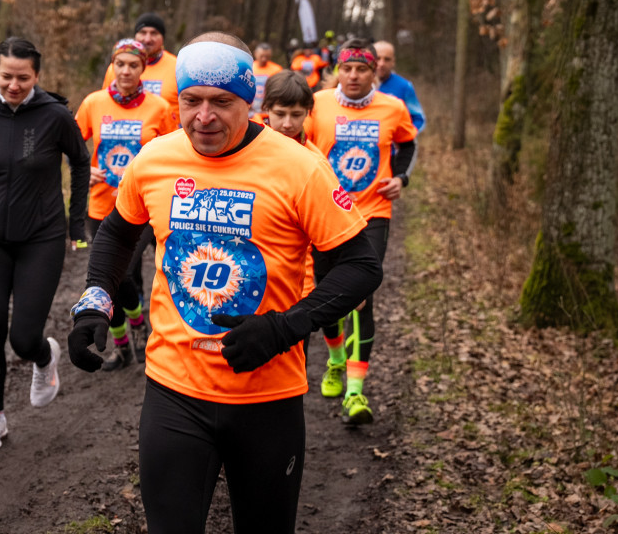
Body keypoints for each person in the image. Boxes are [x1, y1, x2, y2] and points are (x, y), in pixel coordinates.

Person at [68, 32, 382, 534]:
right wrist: (95, 300)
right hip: (173, 390)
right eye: (191, 101)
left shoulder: (301, 167)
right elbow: (116, 233)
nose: (204, 117)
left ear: (249, 102)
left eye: (222, 103)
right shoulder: (153, 159)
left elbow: (361, 267)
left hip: (267, 398)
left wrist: (283, 329)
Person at [0, 37, 90, 451]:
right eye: (7, 76)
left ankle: (44, 357)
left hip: (42, 237)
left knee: (23, 338)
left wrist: (75, 222)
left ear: (37, 76)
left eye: (23, 77)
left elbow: (80, 162)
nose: (14, 84)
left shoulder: (54, 116)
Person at [303, 38, 417, 426]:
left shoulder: (393, 107)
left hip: (372, 213)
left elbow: (407, 143)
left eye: (362, 69)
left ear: (375, 72)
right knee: (327, 296)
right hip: (325, 214)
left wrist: (401, 178)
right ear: (338, 70)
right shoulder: (317, 104)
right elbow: (294, 146)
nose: (353, 76)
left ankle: (355, 392)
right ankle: (335, 359)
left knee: (362, 297)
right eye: (347, 68)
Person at [75, 39, 170, 370]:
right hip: (100, 205)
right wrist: (83, 169)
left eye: (133, 65)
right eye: (120, 64)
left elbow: (175, 153)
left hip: (143, 210)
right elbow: (73, 147)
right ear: (112, 66)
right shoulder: (93, 103)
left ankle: (139, 325)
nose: (126, 71)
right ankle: (122, 345)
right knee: (110, 279)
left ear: (144, 68)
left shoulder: (159, 108)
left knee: (125, 270)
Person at [101, 13, 179, 126]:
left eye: (154, 33)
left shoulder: (177, 66)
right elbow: (105, 103)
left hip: (167, 135)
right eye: (143, 32)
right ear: (135, 36)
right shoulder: (116, 68)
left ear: (163, 38)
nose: (147, 39)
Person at [374, 40, 426, 133]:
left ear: (393, 62)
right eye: (377, 58)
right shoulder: (357, 85)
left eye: (387, 59)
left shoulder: (404, 86)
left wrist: (405, 138)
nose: (381, 64)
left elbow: (419, 119)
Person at [249, 42, 283, 117]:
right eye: (262, 56)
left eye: (267, 56)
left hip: (268, 111)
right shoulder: (249, 68)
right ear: (255, 53)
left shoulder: (277, 70)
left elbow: (280, 91)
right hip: (251, 111)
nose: (264, 59)